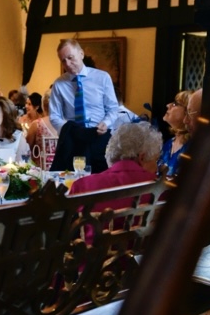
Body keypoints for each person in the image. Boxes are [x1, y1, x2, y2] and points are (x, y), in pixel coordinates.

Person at [49, 39, 120, 173]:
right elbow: (54, 116)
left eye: (70, 58)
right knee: (75, 178)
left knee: (101, 178)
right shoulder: (59, 84)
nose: (68, 64)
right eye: (63, 61)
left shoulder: (102, 77)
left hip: (99, 135)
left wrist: (106, 122)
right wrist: (68, 130)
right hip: (74, 139)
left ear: (81, 54)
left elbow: (112, 108)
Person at [70, 121, 162, 211]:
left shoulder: (81, 187)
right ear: (142, 157)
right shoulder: (162, 189)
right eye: (156, 160)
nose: (156, 167)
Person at [157, 90, 191, 179]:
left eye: (175, 104)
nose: (168, 105)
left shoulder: (193, 148)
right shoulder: (168, 143)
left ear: (187, 112)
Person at [26, 89, 58, 159]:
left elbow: (27, 149)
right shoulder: (68, 124)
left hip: (40, 168)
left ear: (43, 105)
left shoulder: (37, 124)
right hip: (64, 169)